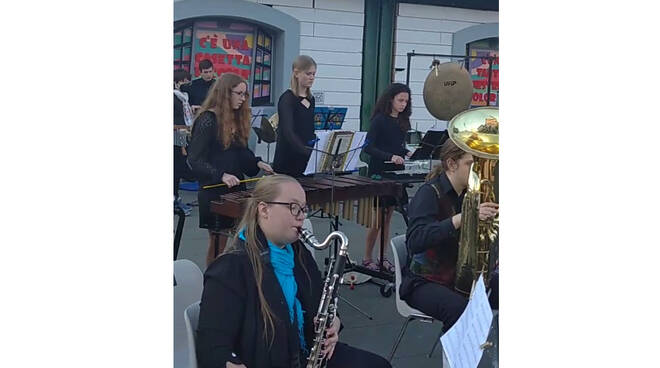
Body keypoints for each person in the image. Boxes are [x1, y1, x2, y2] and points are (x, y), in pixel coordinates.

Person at [196, 174, 391, 368]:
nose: (301, 215)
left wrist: (335, 323)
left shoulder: (298, 252)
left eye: (303, 209)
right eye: (293, 207)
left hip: (306, 354)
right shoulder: (230, 267)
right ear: (264, 209)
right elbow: (211, 346)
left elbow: (322, 304)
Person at [399, 139, 499, 331]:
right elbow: (415, 240)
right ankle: (458, 359)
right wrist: (463, 217)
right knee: (459, 310)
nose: (478, 171)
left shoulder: (468, 194)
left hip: (459, 275)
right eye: (471, 164)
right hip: (424, 281)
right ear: (452, 164)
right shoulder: (429, 193)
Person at [187, 72, 274, 266]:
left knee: (242, 241)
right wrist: (221, 175)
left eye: (245, 95)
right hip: (214, 191)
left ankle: (233, 279)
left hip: (235, 190)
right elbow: (194, 159)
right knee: (218, 244)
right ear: (225, 93)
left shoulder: (234, 119)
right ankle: (212, 283)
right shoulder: (207, 119)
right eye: (239, 94)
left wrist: (257, 162)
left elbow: (240, 153)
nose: (243, 99)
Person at [361, 83, 413, 272]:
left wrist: (406, 153)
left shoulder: (402, 121)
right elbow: (368, 147)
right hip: (379, 173)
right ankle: (367, 258)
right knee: (377, 220)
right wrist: (390, 157)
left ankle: (383, 257)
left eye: (406, 101)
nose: (403, 104)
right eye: (400, 100)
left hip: (395, 174)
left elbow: (397, 146)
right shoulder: (379, 120)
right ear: (390, 99)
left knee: (388, 219)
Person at [272, 55, 317, 177]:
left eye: (313, 74)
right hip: (288, 159)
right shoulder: (287, 99)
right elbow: (288, 132)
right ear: (296, 73)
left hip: (306, 161)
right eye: (308, 74)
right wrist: (307, 151)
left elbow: (309, 129)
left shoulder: (310, 99)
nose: (312, 77)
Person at [173, 69, 195, 215]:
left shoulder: (183, 98)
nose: (187, 84)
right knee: (176, 171)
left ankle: (175, 198)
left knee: (178, 171)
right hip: (175, 138)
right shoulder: (173, 98)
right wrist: (182, 146)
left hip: (181, 136)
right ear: (177, 82)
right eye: (185, 81)